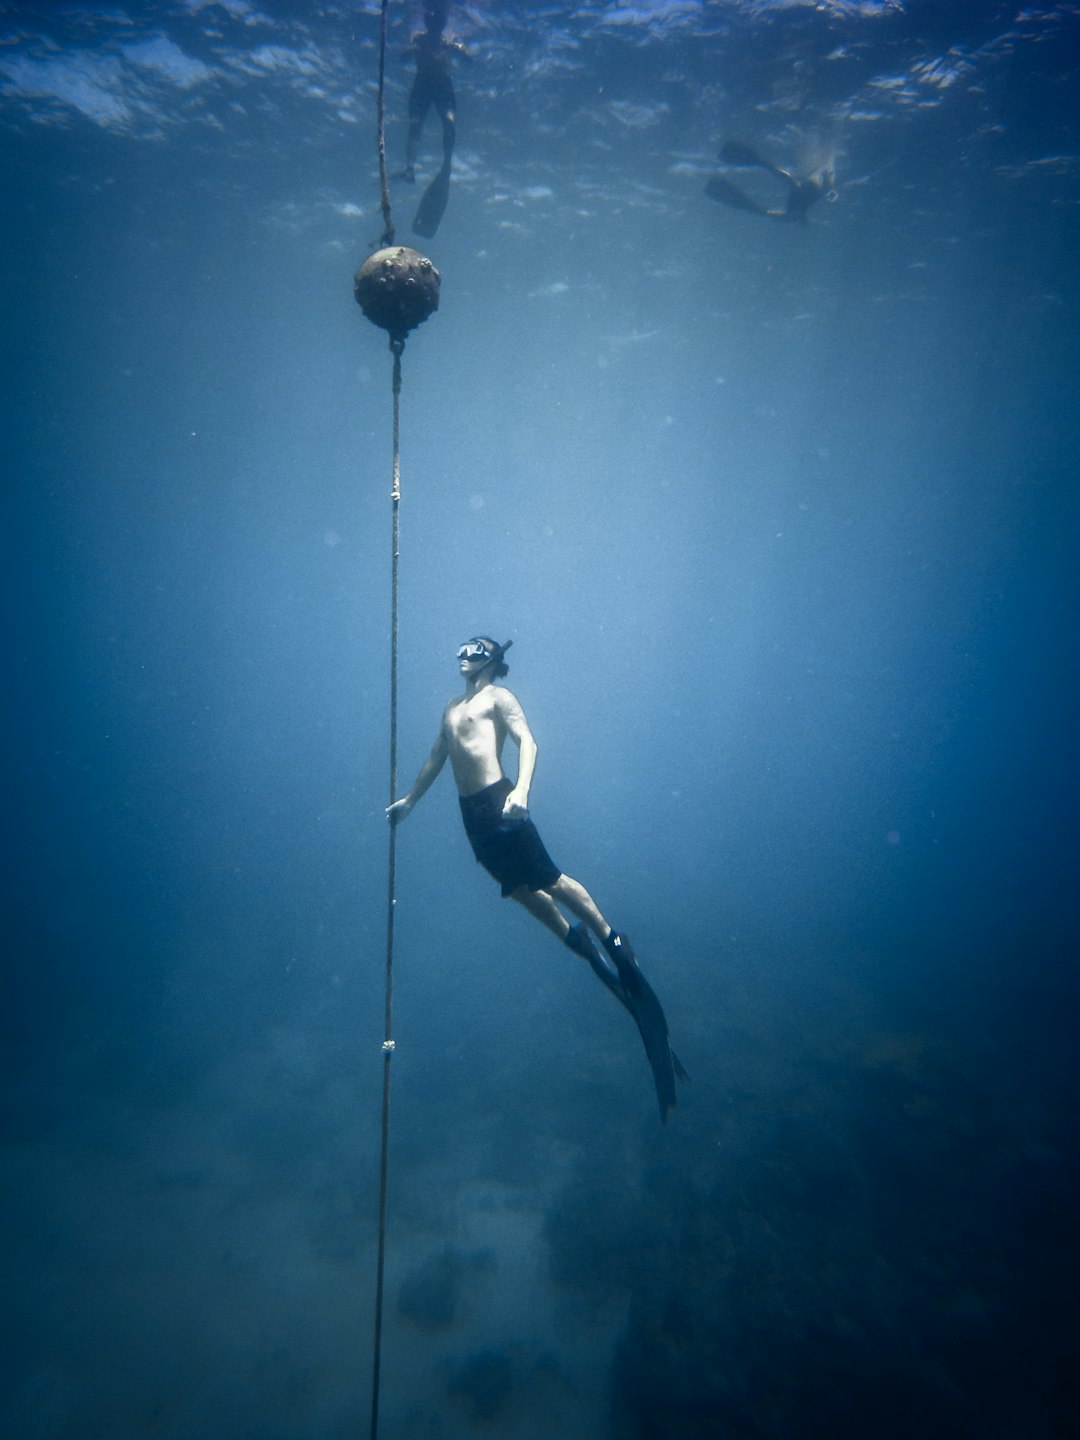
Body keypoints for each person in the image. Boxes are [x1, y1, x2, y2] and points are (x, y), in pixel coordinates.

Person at [387, 637, 685, 1121]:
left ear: (491, 659)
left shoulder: (498, 699)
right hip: (472, 816)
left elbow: (528, 742)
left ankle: (613, 941)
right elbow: (437, 756)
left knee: (549, 878)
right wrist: (410, 801)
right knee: (520, 891)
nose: (463, 655)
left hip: (500, 800)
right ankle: (577, 940)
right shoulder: (451, 706)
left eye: (474, 648)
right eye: (460, 648)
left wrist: (522, 790)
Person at [400, 0, 466, 238]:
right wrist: (412, 50)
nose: (436, 22)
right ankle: (410, 169)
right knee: (415, 125)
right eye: (433, 18)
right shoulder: (418, 39)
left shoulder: (447, 42)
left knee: (449, 123)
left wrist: (457, 47)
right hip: (424, 86)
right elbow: (403, 57)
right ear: (429, 20)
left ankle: (445, 165)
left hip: (441, 87)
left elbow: (468, 58)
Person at [705, 139, 836, 225]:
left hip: (802, 196)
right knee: (793, 190)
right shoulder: (799, 209)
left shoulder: (798, 211)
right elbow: (824, 186)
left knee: (793, 189)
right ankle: (760, 164)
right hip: (804, 195)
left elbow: (821, 186)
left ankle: (760, 164)